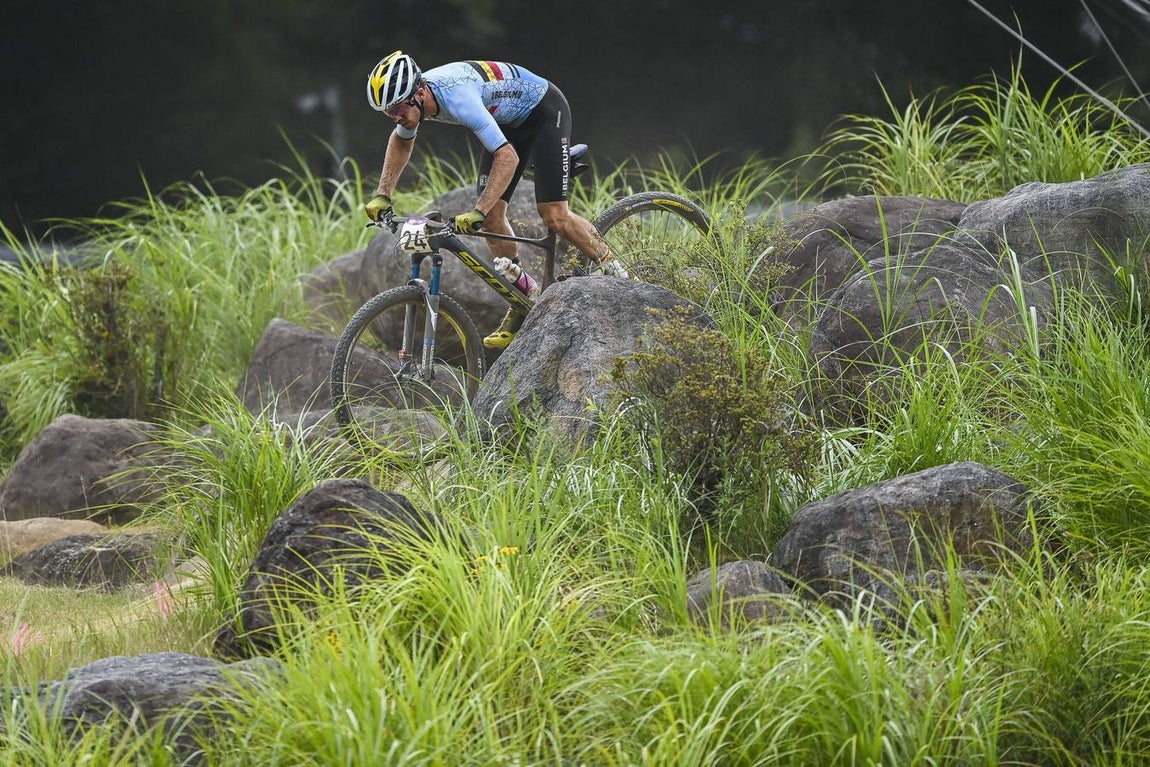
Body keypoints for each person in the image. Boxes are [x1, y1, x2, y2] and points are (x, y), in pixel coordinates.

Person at [363, 50, 626, 350]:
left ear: (419, 92)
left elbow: (507, 157)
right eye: (387, 112)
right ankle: (523, 296)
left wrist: (478, 209)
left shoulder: (458, 98)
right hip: (506, 120)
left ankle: (618, 269)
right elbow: (400, 141)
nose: (394, 117)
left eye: (397, 108)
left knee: (554, 216)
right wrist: (383, 195)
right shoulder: (414, 103)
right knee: (491, 219)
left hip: (543, 111)